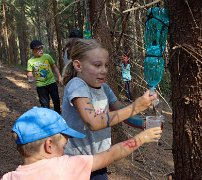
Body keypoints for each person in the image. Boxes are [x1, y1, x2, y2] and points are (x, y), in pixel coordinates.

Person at [61, 39, 158, 179]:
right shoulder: (77, 85)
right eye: (97, 65)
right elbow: (93, 122)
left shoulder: (104, 89)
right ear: (78, 65)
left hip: (99, 160)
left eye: (106, 65)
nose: (104, 70)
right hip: (76, 161)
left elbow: (124, 113)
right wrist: (136, 107)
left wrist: (145, 124)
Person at [1, 107, 162, 180]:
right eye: (64, 146)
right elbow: (111, 154)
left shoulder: (9, 177)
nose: (65, 151)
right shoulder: (67, 165)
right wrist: (142, 137)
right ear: (49, 145)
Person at [27, 40, 62, 114]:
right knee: (45, 104)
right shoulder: (30, 61)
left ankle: (58, 115)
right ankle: (47, 118)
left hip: (51, 82)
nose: (41, 50)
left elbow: (54, 67)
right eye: (38, 49)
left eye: (41, 48)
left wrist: (59, 76)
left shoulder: (47, 56)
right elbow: (29, 72)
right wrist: (30, 77)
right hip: (41, 85)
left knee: (56, 100)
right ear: (33, 50)